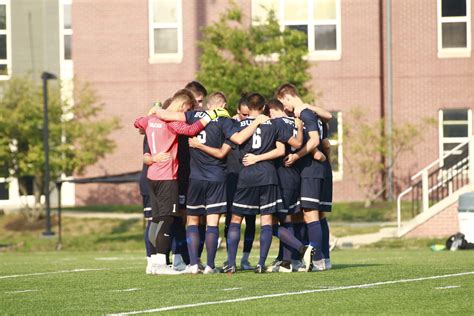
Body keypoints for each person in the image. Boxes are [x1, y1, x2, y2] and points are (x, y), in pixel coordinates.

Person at [134, 89, 230, 275]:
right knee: (168, 219)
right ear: (183, 106)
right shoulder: (171, 125)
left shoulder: (149, 121)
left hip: (152, 174)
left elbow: (137, 123)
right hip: (167, 175)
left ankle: (153, 261)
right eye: (188, 108)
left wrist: (149, 116)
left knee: (156, 221)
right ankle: (162, 263)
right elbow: (191, 129)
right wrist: (211, 115)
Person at [224, 93, 313, 274]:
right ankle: (260, 264)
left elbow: (235, 142)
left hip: (246, 175)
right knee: (267, 220)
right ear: (265, 107)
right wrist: (299, 127)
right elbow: (284, 149)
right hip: (268, 175)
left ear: (247, 108)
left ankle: (231, 263)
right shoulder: (274, 124)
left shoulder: (236, 124)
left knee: (235, 219)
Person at [276, 83, 333, 271]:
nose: (284, 109)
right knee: (310, 214)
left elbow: (315, 139)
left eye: (282, 103)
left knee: (310, 214)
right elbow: (323, 139)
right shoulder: (312, 112)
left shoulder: (303, 112)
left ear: (286, 98)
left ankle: (316, 260)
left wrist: (296, 155)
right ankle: (323, 259)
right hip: (316, 169)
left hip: (311, 171)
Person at [183, 92, 236, 274]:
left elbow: (171, 116)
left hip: (195, 178)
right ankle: (210, 266)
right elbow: (222, 153)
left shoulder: (192, 117)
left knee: (193, 220)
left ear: (206, 105)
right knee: (212, 223)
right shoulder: (226, 121)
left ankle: (193, 264)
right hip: (216, 177)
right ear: (224, 105)